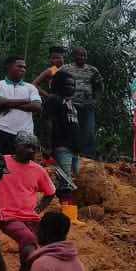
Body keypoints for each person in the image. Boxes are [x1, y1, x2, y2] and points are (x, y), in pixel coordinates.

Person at [0, 130, 55, 271]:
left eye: (34, 148)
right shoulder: (1, 161)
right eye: (27, 146)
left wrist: (39, 209)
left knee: (31, 255)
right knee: (28, 241)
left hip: (31, 218)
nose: (31, 151)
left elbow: (50, 192)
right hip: (7, 217)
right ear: (16, 146)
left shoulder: (38, 170)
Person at [46, 70, 84, 225]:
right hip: (61, 147)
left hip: (74, 149)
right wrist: (48, 146)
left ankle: (71, 215)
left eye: (73, 85)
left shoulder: (71, 104)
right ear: (59, 85)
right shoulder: (54, 100)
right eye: (68, 84)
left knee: (72, 180)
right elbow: (47, 122)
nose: (71, 88)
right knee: (65, 181)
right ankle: (68, 217)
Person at [0, 56, 42, 157]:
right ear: (9, 67)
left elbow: (37, 106)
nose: (23, 69)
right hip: (3, 132)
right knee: (2, 165)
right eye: (19, 66)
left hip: (26, 135)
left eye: (24, 67)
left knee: (24, 167)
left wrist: (8, 103)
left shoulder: (30, 87)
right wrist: (26, 100)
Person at [61, 48, 103, 158]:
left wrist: (96, 101)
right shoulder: (66, 68)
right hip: (70, 105)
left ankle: (87, 157)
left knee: (88, 131)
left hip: (87, 105)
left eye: (84, 55)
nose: (82, 58)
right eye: (80, 55)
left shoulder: (92, 70)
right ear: (74, 56)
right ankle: (69, 154)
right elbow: (56, 80)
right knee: (70, 130)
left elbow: (99, 86)